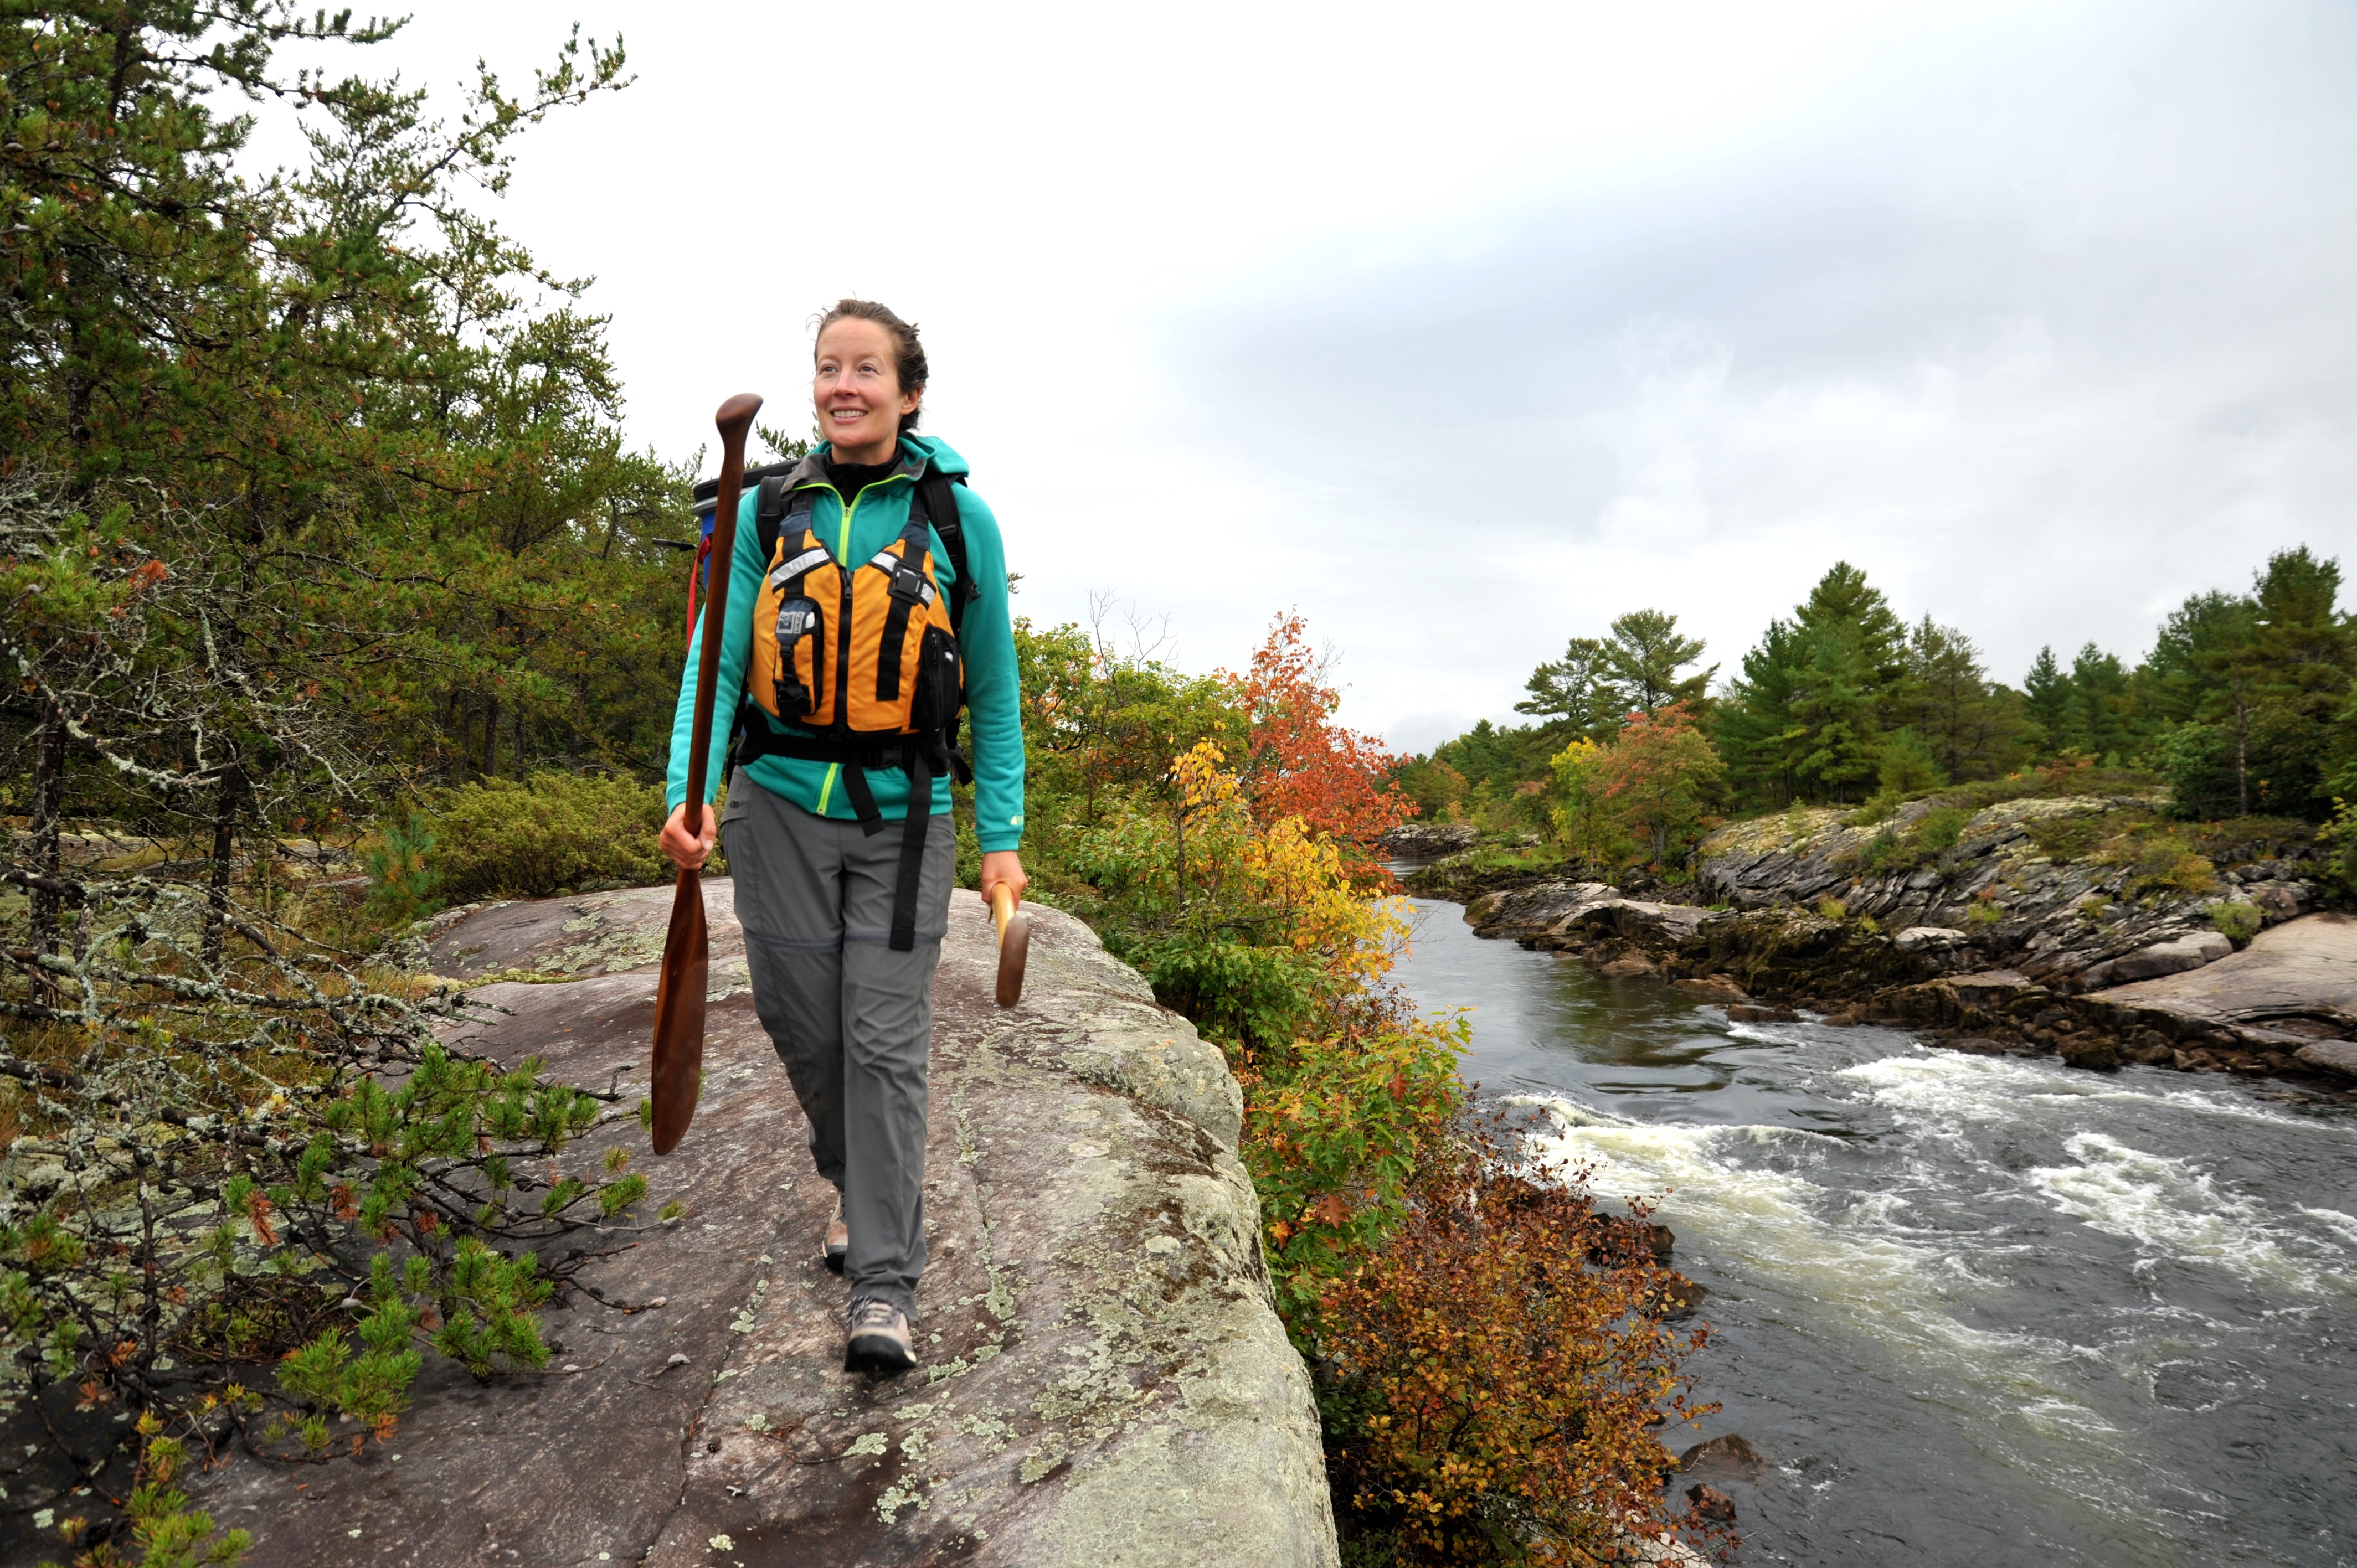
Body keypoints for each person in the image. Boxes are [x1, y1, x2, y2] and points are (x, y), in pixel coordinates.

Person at [657, 300, 1026, 1375]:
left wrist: (999, 835)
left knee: (881, 1042)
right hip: (776, 806)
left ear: (909, 393)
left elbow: (994, 698)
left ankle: (884, 1284)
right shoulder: (763, 511)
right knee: (803, 1030)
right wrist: (691, 793)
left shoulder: (962, 521)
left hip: (908, 819)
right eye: (828, 368)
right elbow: (717, 664)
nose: (843, 386)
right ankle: (850, 1180)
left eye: (867, 369)